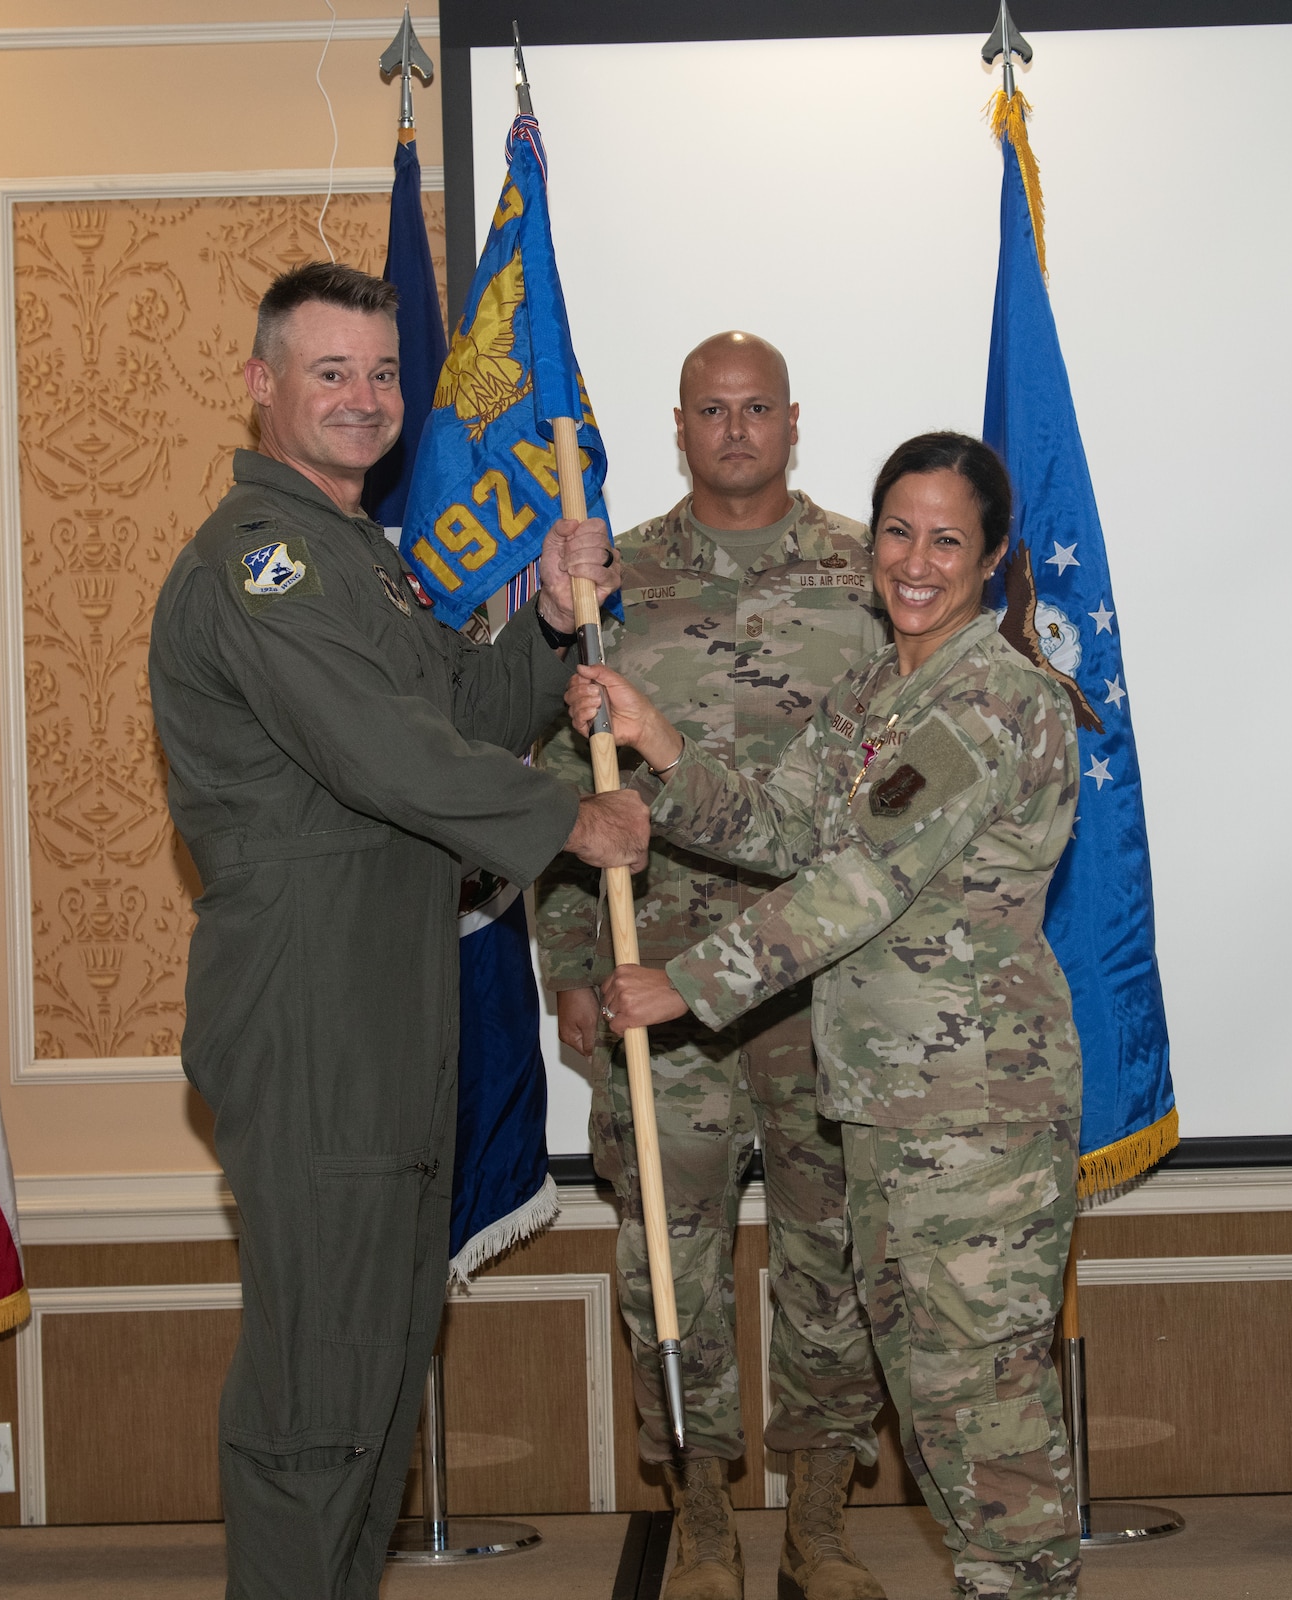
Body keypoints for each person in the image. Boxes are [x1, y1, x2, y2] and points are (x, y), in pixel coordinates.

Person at [147, 261, 647, 1600]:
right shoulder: (261, 563)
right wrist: (564, 824)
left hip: (383, 1005)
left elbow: (452, 721)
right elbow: (379, 751)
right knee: (319, 1405)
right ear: (261, 387)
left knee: (371, 1387)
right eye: (330, 372)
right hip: (316, 1015)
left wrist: (545, 622)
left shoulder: (355, 556)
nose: (365, 400)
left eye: (381, 374)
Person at [575, 432, 1085, 1600]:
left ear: (993, 555)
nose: (914, 560)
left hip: (975, 1120)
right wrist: (654, 735)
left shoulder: (995, 700)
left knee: (984, 1414)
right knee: (930, 1403)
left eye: (946, 538)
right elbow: (775, 824)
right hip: (884, 1106)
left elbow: (858, 885)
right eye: (896, 531)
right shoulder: (874, 688)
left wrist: (686, 984)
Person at [534, 331, 890, 1600]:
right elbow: (560, 783)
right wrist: (570, 958)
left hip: (826, 985)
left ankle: (823, 1518)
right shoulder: (609, 582)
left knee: (831, 1255)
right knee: (664, 1261)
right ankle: (696, 1511)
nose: (734, 430)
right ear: (677, 426)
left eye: (756, 409)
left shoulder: (869, 571)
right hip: (658, 984)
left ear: (794, 422)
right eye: (709, 411)